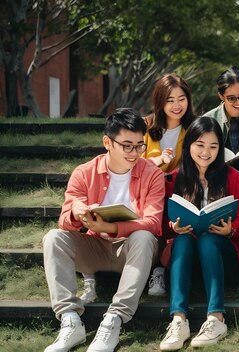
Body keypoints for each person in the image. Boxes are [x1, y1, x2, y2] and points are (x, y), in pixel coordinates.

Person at [43, 108, 165, 352]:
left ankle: (114, 321)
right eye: (127, 146)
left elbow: (153, 222)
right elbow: (64, 221)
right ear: (107, 142)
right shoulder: (84, 172)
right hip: (94, 247)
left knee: (143, 236)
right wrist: (78, 214)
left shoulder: (152, 173)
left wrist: (111, 227)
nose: (134, 153)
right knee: (54, 238)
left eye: (139, 146)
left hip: (133, 250)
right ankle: (70, 321)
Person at [158, 116, 239, 351]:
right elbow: (165, 220)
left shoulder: (232, 177)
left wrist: (231, 230)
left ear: (220, 148)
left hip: (220, 256)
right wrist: (173, 227)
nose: (206, 152)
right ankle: (179, 320)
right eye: (200, 145)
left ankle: (216, 319)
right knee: (183, 240)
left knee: (208, 239)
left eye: (213, 146)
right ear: (188, 145)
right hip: (186, 258)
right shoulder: (176, 179)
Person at [142, 74, 197, 297]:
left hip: (181, 191)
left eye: (181, 99)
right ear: (159, 101)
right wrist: (158, 161)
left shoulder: (194, 128)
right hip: (146, 190)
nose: (176, 106)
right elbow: (131, 162)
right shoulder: (145, 126)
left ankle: (161, 269)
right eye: (170, 100)